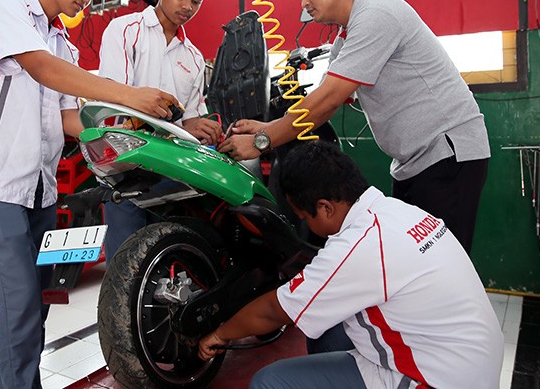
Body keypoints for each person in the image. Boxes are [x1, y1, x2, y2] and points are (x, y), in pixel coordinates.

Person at [0, 0, 180, 389]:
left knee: (37, 301)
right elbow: (40, 68)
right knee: (17, 302)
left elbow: (67, 119)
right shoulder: (6, 10)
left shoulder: (65, 46)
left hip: (38, 188)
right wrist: (130, 94)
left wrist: (129, 139)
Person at [218, 0, 490, 254]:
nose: (304, 3)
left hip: (445, 153)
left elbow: (328, 98)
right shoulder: (345, 40)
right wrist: (268, 125)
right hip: (413, 163)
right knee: (411, 261)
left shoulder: (378, 13)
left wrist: (261, 141)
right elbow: (324, 103)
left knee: (437, 262)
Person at [198, 141, 503, 389]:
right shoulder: (397, 212)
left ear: (326, 208)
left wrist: (219, 334)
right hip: (474, 367)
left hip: (434, 381)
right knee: (324, 328)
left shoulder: (361, 244)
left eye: (304, 218)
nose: (305, 224)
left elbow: (273, 311)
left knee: (269, 382)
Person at [98, 0, 222, 263]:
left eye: (197, 1)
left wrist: (203, 129)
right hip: (125, 173)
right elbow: (115, 106)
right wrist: (181, 126)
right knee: (125, 266)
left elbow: (192, 119)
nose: (188, 7)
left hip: (171, 179)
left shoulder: (193, 58)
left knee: (165, 264)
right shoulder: (124, 31)